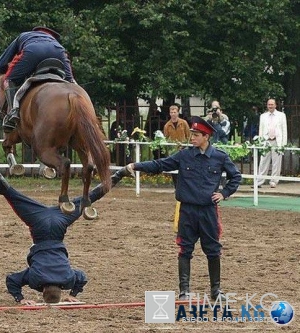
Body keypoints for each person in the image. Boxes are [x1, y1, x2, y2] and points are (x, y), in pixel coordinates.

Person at [0, 152, 124, 305]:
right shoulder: (35, 279)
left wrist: (73, 294)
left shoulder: (68, 279)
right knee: (10, 193)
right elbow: (11, 280)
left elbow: (82, 277)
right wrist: (20, 299)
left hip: (59, 223)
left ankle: (120, 174)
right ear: (42, 292)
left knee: (88, 198)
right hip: (38, 224)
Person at [119, 116, 241, 302]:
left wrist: (224, 193)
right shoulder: (184, 155)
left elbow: (236, 177)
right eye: (191, 134)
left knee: (213, 250)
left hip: (208, 211)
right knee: (185, 250)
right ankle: (184, 291)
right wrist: (135, 166)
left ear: (206, 137)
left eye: (196, 135)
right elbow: (160, 165)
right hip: (187, 211)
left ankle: (216, 291)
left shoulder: (220, 157)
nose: (192, 138)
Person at [0, 26, 75, 130]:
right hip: (58, 52)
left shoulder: (24, 35)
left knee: (8, 80)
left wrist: (1, 69)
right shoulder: (54, 41)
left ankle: (13, 112)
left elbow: (1, 62)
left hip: (33, 50)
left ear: (35, 32)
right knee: (71, 82)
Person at [255, 99, 287, 188]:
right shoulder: (263, 116)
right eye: (269, 104)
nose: (270, 106)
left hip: (277, 141)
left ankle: (274, 181)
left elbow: (284, 130)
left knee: (276, 162)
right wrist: (261, 142)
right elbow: (261, 130)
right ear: (267, 105)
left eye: (272, 104)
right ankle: (259, 181)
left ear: (275, 105)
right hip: (266, 141)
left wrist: (283, 144)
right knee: (263, 161)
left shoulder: (281, 115)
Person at [163, 104, 190, 188]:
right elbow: (166, 138)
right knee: (173, 169)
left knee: (184, 169)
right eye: (171, 112)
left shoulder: (184, 123)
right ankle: (176, 187)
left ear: (178, 113)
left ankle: (185, 187)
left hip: (183, 149)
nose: (173, 114)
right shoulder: (167, 126)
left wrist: (186, 145)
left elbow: (188, 135)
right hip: (173, 151)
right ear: (170, 113)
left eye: (175, 112)